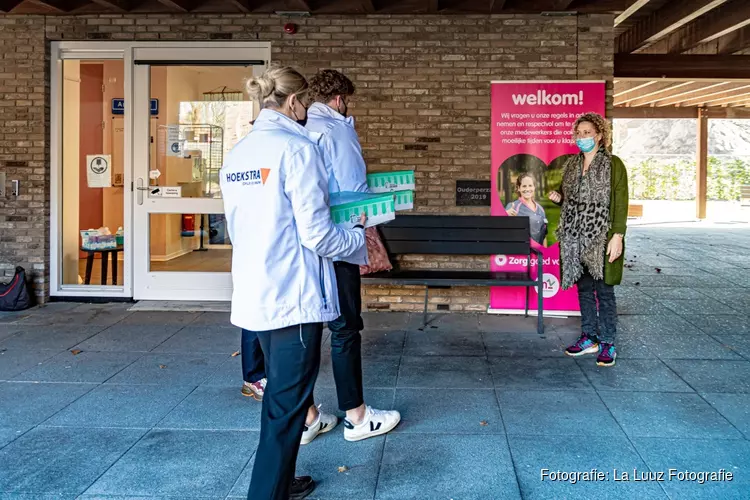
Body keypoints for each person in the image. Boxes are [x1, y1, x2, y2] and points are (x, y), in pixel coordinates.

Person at [220, 65, 366, 500]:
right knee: (287, 404)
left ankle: (280, 481)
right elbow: (318, 233)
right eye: (306, 103)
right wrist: (357, 237)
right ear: (295, 102)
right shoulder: (296, 149)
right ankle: (267, 493)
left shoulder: (240, 152)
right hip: (294, 294)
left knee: (280, 399)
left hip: (255, 291)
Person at [304, 69, 402, 442]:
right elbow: (352, 189)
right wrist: (370, 219)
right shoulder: (338, 129)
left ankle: (309, 416)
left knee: (307, 328)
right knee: (345, 327)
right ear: (339, 98)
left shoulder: (299, 126)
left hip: (305, 245)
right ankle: (357, 417)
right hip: (338, 238)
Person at [548, 112, 628, 368]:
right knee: (583, 290)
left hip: (601, 235)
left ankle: (608, 341)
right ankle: (589, 337)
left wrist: (617, 236)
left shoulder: (614, 165)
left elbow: (620, 202)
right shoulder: (571, 165)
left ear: (599, 136)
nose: (582, 137)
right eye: (579, 133)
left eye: (587, 133)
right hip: (574, 236)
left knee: (604, 291)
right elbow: (568, 196)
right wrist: (558, 197)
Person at [505, 172, 548, 245]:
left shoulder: (541, 209)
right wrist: (505, 215)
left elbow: (544, 236)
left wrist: (545, 253)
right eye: (524, 186)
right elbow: (502, 231)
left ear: (534, 187)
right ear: (518, 188)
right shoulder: (513, 206)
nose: (527, 189)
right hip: (521, 253)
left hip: (538, 255)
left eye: (530, 185)